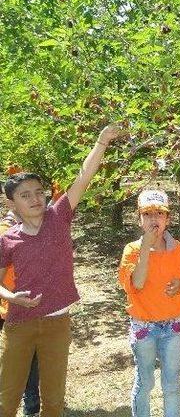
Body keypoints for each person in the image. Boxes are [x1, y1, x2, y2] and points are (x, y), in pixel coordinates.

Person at [0, 124, 122, 417]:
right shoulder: (7, 239)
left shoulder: (58, 217)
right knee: (7, 400)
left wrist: (102, 141)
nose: (35, 198)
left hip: (57, 324)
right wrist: (12, 297)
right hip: (19, 326)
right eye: (25, 195)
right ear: (12, 202)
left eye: (39, 192)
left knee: (53, 402)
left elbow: (84, 176)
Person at [119, 189, 180, 417]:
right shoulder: (132, 250)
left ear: (168, 219)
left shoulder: (179, 250)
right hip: (144, 327)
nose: (154, 219)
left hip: (173, 327)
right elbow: (138, 283)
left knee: (172, 383)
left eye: (160, 213)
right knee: (146, 381)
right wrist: (146, 247)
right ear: (139, 219)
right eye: (147, 214)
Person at [0, 204, 40, 417]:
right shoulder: (7, 232)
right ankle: (29, 405)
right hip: (13, 306)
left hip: (21, 304)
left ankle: (31, 405)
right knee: (25, 359)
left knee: (28, 357)